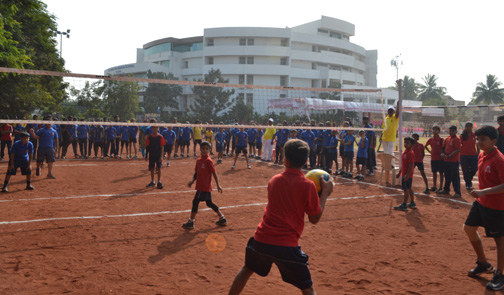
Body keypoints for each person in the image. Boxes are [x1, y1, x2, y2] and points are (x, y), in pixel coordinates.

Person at [228, 139, 334, 295]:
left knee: (247, 269)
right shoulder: (308, 185)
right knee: (307, 288)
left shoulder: (274, 180)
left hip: (262, 238)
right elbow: (314, 219)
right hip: (286, 244)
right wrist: (325, 193)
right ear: (305, 161)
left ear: (285, 160)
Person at [463, 125, 504, 291]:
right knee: (469, 228)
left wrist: (483, 191)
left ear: (493, 141)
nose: (479, 142)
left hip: (496, 206)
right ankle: (483, 263)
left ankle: (500, 274)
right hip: (481, 203)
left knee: (499, 240)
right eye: (478, 139)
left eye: (483, 140)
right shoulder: (481, 155)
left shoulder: (499, 159)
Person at [182, 141, 225, 229]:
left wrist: (218, 185)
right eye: (203, 148)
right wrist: (193, 180)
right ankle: (222, 218)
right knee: (209, 203)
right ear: (200, 149)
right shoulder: (199, 160)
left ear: (209, 150)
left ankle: (191, 221)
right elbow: (197, 172)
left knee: (195, 202)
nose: (204, 150)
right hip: (201, 186)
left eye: (207, 149)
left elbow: (214, 173)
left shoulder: (208, 161)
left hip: (204, 187)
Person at [394, 137, 416, 211]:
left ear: (412, 144)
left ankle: (404, 205)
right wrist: (400, 173)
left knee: (406, 189)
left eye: (408, 143)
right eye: (405, 142)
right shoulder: (405, 152)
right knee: (409, 188)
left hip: (407, 175)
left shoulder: (410, 153)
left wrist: (407, 175)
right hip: (404, 174)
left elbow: (411, 165)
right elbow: (403, 165)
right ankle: (412, 202)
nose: (405, 144)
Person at [439, 126, 462, 198]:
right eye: (450, 131)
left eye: (453, 131)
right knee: (447, 175)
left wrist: (449, 156)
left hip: (454, 161)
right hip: (446, 160)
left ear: (455, 131)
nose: (451, 132)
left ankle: (457, 192)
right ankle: (446, 189)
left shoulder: (457, 139)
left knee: (455, 177)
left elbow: (458, 150)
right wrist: (443, 153)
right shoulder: (447, 139)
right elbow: (443, 147)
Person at [145, 120, 165, 189]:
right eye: (154, 128)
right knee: (152, 168)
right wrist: (146, 156)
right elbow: (147, 146)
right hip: (151, 154)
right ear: (152, 129)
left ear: (158, 129)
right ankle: (152, 181)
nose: (155, 129)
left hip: (158, 154)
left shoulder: (160, 137)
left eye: (157, 128)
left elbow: (162, 147)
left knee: (159, 168)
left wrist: (161, 156)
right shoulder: (149, 137)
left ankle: (159, 181)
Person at [460, 122, 479, 190]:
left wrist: (478, 152)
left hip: (473, 155)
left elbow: (477, 144)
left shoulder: (475, 135)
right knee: (465, 170)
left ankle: (468, 180)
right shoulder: (462, 136)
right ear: (465, 127)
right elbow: (459, 146)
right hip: (464, 155)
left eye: (470, 126)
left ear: (472, 127)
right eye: (467, 126)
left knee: (475, 168)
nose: (468, 127)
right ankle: (468, 183)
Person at [425, 126, 444, 193]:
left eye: (436, 130)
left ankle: (441, 187)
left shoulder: (441, 140)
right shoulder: (431, 139)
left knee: (441, 173)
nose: (435, 131)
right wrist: (431, 152)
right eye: (433, 130)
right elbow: (426, 146)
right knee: (434, 172)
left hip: (440, 159)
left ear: (439, 131)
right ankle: (434, 186)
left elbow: (444, 148)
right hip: (433, 158)